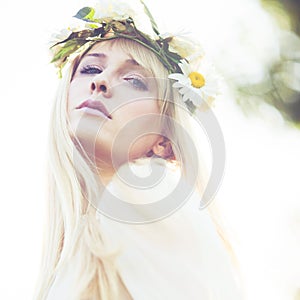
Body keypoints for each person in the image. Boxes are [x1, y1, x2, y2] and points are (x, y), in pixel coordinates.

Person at [35, 1, 242, 299]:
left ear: (164, 140)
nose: (101, 81)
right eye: (91, 68)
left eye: (133, 80)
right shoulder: (83, 235)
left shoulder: (146, 195)